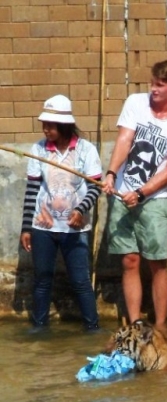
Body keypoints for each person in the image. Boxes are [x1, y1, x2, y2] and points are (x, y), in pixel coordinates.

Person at [102, 59, 167, 327]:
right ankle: (134, 323)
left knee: (157, 262)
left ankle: (161, 324)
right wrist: (111, 173)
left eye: (160, 85)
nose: (153, 89)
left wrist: (142, 193)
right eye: (152, 83)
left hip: (155, 201)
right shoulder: (135, 102)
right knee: (129, 260)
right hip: (122, 195)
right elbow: (124, 139)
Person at [20, 95, 101, 332]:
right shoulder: (38, 150)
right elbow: (32, 190)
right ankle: (39, 326)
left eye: (50, 125)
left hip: (75, 228)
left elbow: (95, 187)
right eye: (44, 124)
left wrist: (80, 209)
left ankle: (92, 328)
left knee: (80, 282)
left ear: (64, 126)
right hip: (43, 226)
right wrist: (26, 227)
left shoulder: (86, 150)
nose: (46, 129)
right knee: (42, 279)